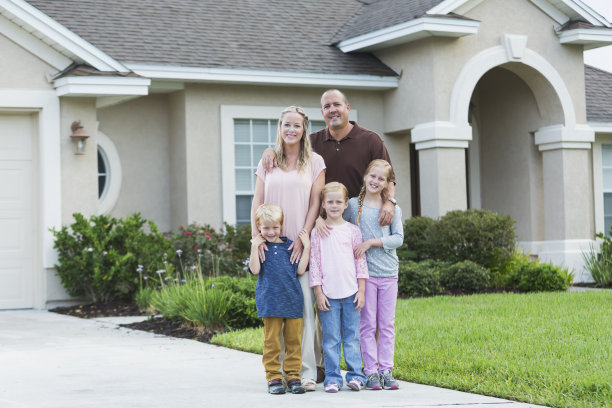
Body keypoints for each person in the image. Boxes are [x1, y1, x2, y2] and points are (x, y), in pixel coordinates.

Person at [250, 106, 325, 390]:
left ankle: (303, 372)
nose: (291, 130)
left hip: (300, 246)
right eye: (286, 125)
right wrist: (256, 239)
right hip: (271, 246)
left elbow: (315, 202)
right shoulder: (267, 161)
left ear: (304, 129)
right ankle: (277, 373)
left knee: (303, 309)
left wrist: (303, 235)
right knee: (274, 311)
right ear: (279, 128)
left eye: (296, 125)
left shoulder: (315, 162)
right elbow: (257, 201)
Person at [261, 89, 397, 227]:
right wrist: (270, 151)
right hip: (323, 226)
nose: (332, 110)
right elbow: (288, 147)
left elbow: (389, 179)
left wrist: (390, 202)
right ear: (322, 113)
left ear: (347, 108)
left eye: (337, 104)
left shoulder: (371, 140)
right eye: (327, 106)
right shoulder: (311, 142)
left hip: (361, 222)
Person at [344, 160, 404, 390]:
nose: (375, 181)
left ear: (387, 184)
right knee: (367, 325)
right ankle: (370, 371)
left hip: (388, 274)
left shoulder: (392, 209)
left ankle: (386, 370)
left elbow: (398, 238)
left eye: (381, 179)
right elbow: (341, 228)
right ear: (365, 176)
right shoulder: (352, 206)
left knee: (386, 325)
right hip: (364, 277)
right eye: (372, 176)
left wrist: (372, 242)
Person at [309, 182, 368, 392]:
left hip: (351, 292)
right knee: (331, 338)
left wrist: (361, 291)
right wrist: (318, 292)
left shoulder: (353, 231)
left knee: (352, 338)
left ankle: (356, 375)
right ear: (323, 204)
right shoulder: (318, 232)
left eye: (338, 202)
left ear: (345, 205)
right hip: (328, 295)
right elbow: (314, 262)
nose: (334, 206)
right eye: (330, 202)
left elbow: (360, 262)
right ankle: (332, 378)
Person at [249, 204, 311, 395]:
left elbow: (300, 270)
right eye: (266, 228)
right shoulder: (261, 249)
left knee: (294, 342)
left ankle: (293, 376)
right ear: (259, 228)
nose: (270, 231)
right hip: (270, 303)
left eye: (275, 227)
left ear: (281, 226)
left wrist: (306, 246)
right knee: (272, 342)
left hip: (292, 301)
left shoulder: (289, 246)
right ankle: (273, 377)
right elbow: (255, 270)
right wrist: (254, 246)